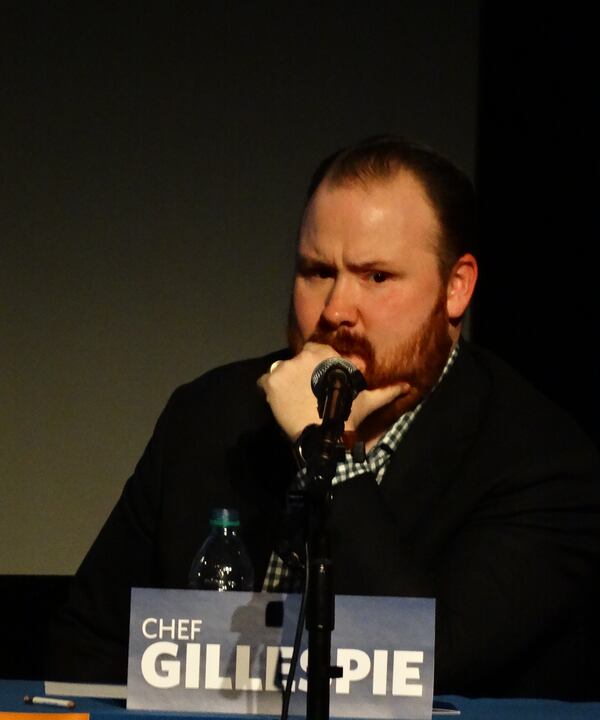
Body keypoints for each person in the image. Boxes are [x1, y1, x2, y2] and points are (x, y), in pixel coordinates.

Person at [46, 135, 600, 699]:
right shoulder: (209, 415)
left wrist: (329, 454)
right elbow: (91, 643)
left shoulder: (542, 461)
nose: (336, 310)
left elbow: (435, 663)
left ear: (456, 288)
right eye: (316, 271)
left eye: (376, 277)